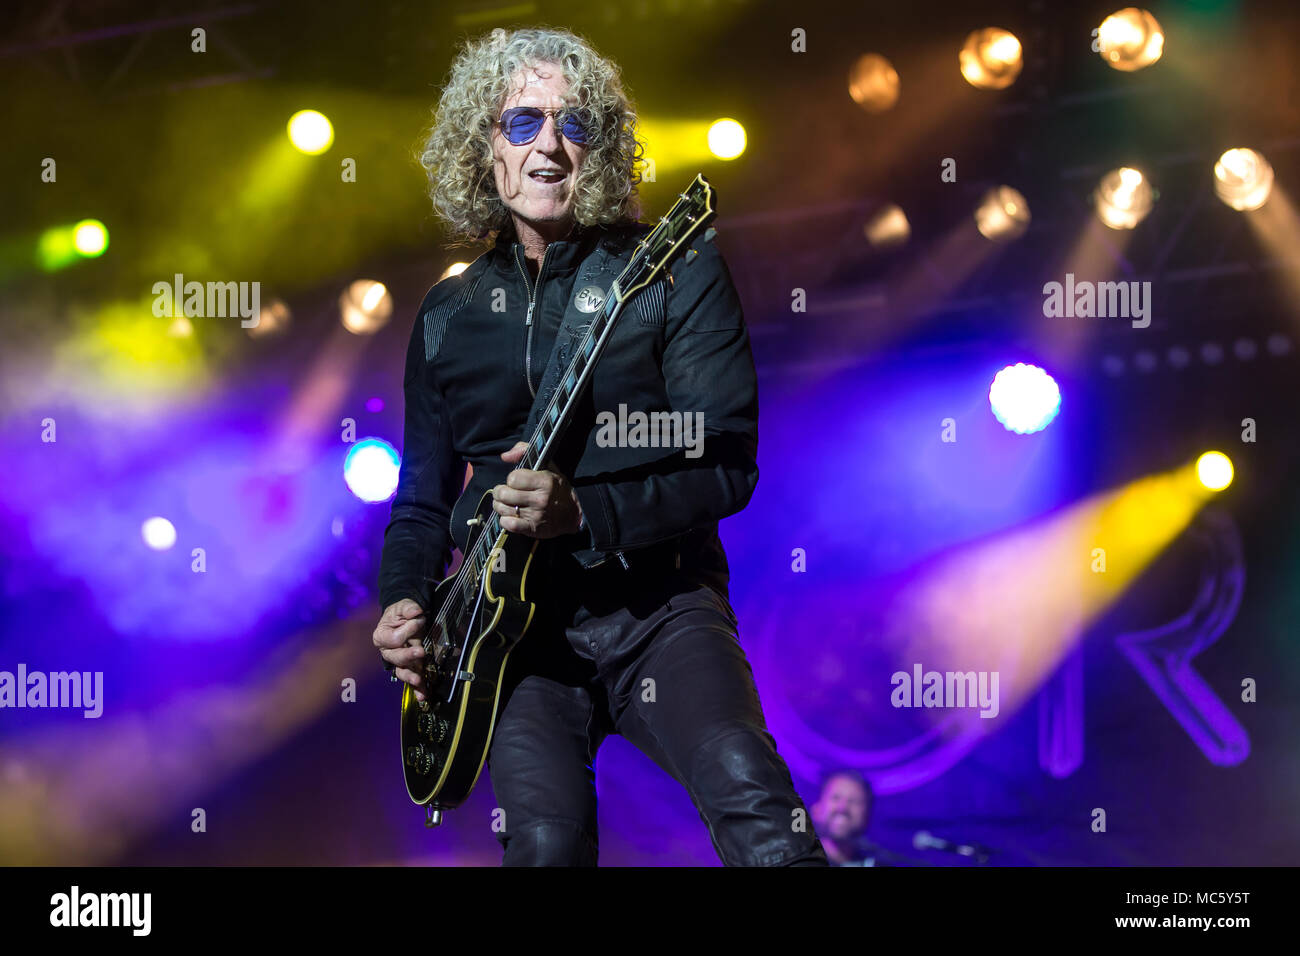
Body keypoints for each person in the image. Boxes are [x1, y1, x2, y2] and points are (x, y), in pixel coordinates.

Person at [371, 25, 827, 867]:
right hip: (512, 645)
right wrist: (404, 599)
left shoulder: (669, 268)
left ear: (602, 152)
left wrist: (586, 511)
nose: (549, 143)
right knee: (544, 848)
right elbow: (423, 498)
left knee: (757, 807)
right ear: (486, 150)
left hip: (659, 609)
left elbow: (725, 460)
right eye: (522, 123)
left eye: (574, 125)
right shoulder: (446, 315)